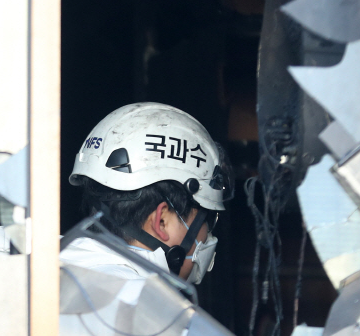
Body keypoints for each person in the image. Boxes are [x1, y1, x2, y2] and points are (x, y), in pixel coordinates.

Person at [61, 102, 233, 285]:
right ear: (161, 221)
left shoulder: (42, 265)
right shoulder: (144, 304)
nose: (207, 237)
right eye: (209, 218)